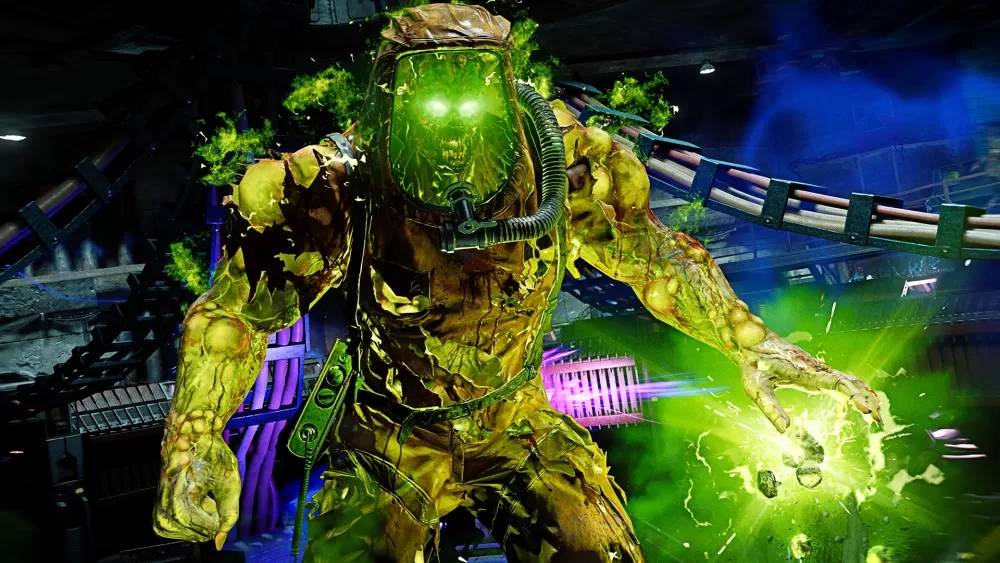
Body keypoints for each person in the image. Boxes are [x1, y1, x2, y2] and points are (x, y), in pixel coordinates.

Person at [152, 5, 881, 562]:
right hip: (388, 434)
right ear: (391, 94)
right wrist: (195, 437)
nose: (452, 126)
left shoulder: (568, 168)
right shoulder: (334, 184)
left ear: (504, 87)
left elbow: (656, 259)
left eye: (471, 86)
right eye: (430, 90)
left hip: (517, 424)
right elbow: (234, 317)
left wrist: (751, 343)